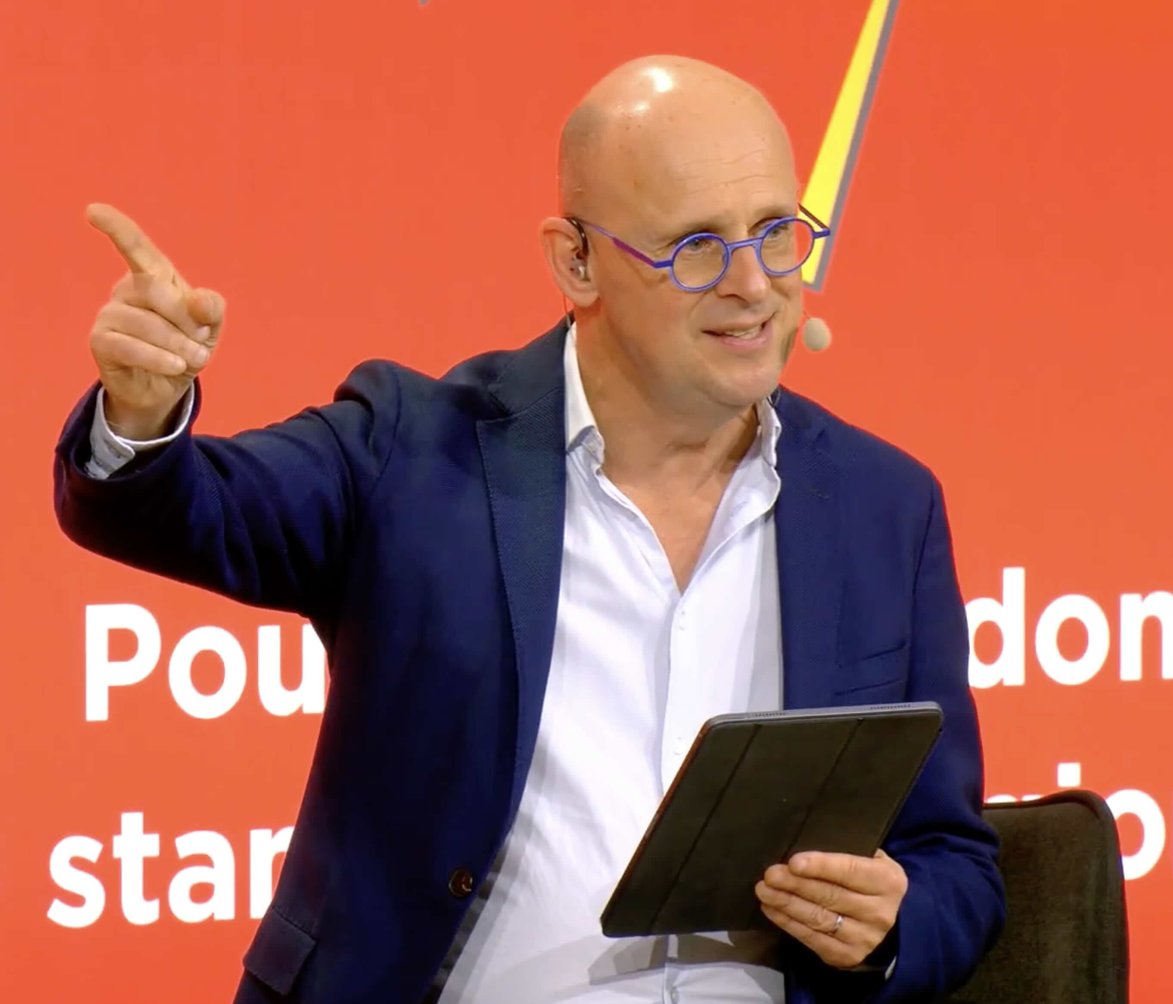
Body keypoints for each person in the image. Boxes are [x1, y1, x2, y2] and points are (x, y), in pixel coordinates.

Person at [54, 55, 1003, 1004]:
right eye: (697, 247)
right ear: (576, 262)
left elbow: (954, 864)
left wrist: (889, 927)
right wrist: (141, 413)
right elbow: (183, 508)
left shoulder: (886, 508)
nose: (754, 284)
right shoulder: (413, 455)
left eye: (776, 232)